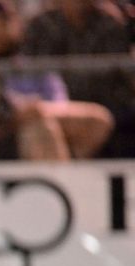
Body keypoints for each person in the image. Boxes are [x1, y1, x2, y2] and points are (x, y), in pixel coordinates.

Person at [0, 0, 113, 160]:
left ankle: (66, 179)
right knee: (39, 129)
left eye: (4, 21)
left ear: (18, 24)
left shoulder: (37, 70)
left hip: (36, 136)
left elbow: (61, 107)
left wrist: (30, 110)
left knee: (46, 127)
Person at [22, 0, 135, 157]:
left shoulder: (112, 23)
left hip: (107, 108)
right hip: (57, 108)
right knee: (40, 125)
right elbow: (30, 75)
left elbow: (124, 77)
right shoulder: (41, 25)